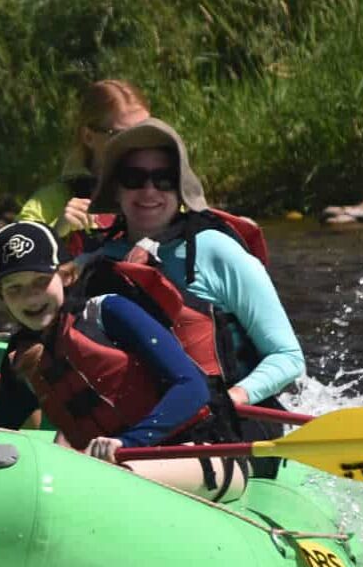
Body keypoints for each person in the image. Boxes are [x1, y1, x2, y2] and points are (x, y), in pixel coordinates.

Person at [77, 118, 302, 475]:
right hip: (137, 427)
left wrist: (231, 399)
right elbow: (12, 287)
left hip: (230, 426)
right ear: (116, 189)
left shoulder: (217, 251)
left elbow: (288, 357)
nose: (149, 191)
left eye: (163, 179)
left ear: (180, 188)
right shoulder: (96, 262)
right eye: (134, 178)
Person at [0, 220, 244, 500]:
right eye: (14, 288)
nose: (30, 297)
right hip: (110, 465)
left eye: (40, 281)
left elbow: (192, 387)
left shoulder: (109, 312)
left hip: (201, 451)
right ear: (2, 297)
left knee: (101, 482)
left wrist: (127, 442)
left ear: (66, 276)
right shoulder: (22, 356)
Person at [17, 79, 150, 251]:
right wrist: (55, 233)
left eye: (146, 133)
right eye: (121, 136)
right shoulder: (49, 203)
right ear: (88, 137)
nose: (137, 146)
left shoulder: (166, 197)